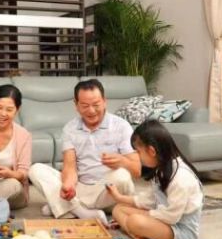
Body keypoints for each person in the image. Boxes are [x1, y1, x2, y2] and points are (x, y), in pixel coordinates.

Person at [28, 78, 140, 222]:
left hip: (110, 191)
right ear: (76, 105)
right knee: (36, 169)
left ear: (104, 101)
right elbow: (70, 167)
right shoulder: (70, 129)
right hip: (81, 187)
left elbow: (137, 170)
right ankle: (80, 210)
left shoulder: (121, 126)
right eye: (85, 106)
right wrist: (68, 185)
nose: (91, 111)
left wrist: (122, 161)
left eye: (96, 105)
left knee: (122, 176)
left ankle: (65, 207)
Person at [106, 120, 203, 239]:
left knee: (135, 221)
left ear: (151, 151)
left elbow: (171, 217)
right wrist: (119, 197)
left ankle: (144, 233)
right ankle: (143, 236)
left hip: (179, 230)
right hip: (162, 218)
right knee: (118, 209)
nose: (138, 157)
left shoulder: (181, 178)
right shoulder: (162, 169)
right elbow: (150, 199)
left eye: (138, 152)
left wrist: (144, 215)